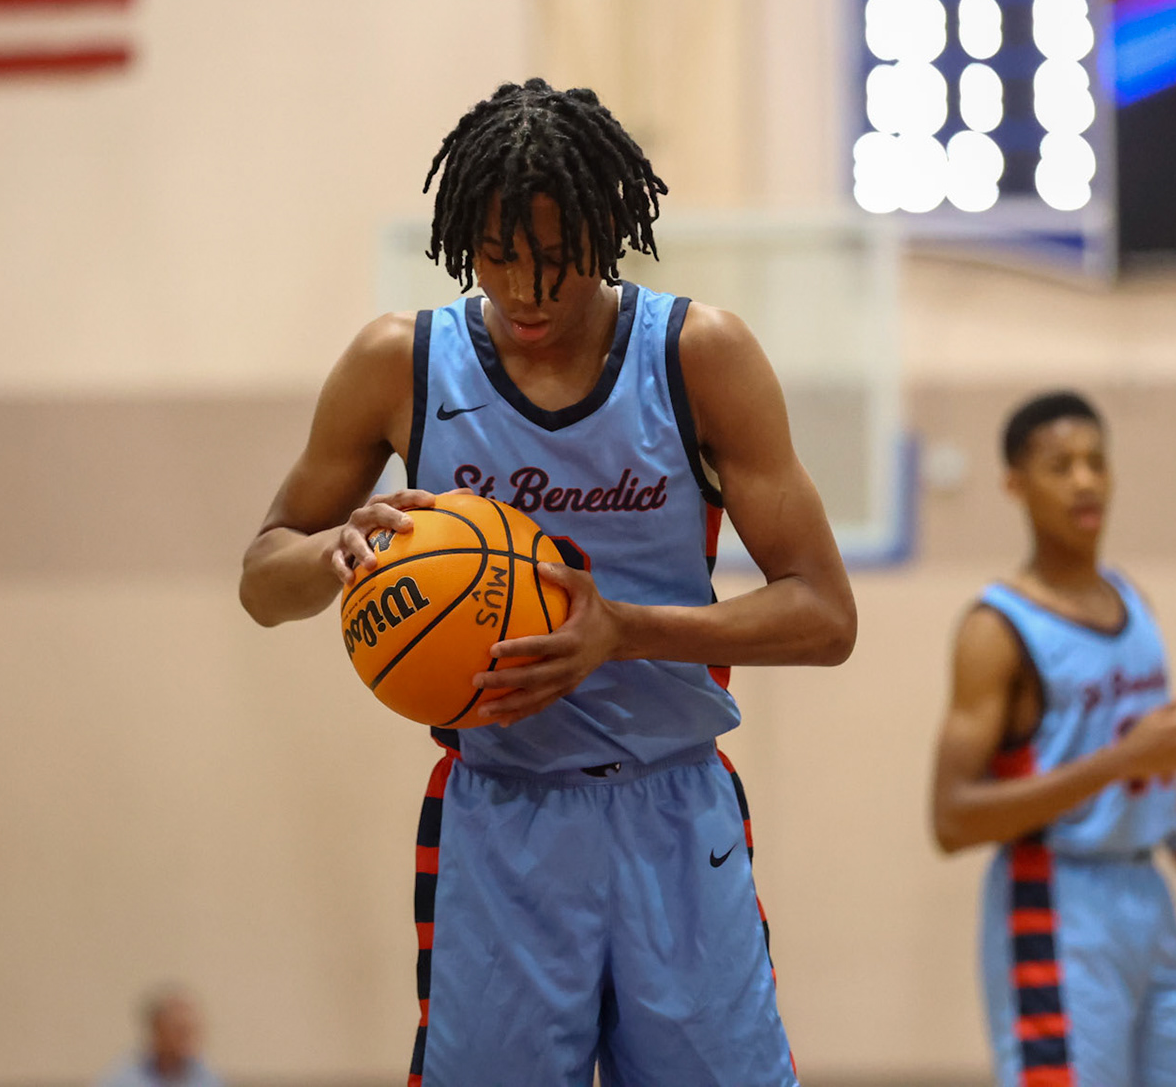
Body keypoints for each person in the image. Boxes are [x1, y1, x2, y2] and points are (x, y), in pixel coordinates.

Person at [239, 79, 856, 1087]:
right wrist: (329, 551)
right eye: (497, 256)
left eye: (556, 260)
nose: (526, 289)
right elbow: (262, 579)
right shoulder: (400, 362)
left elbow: (827, 615)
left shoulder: (700, 355)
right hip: (500, 814)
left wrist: (624, 630)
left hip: (673, 805)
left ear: (610, 229)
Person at [928, 391, 1176, 1087]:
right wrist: (1116, 763)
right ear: (1015, 485)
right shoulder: (996, 629)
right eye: (1060, 465)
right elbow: (952, 818)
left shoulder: (1135, 605)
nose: (1084, 480)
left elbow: (1163, 795)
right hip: (1053, 900)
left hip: (1148, 897)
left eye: (1096, 462)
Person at [95, 987, 221, 1087]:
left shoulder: (207, 1079)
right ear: (157, 1031)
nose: (188, 1040)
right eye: (180, 1031)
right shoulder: (122, 1081)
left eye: (192, 1030)